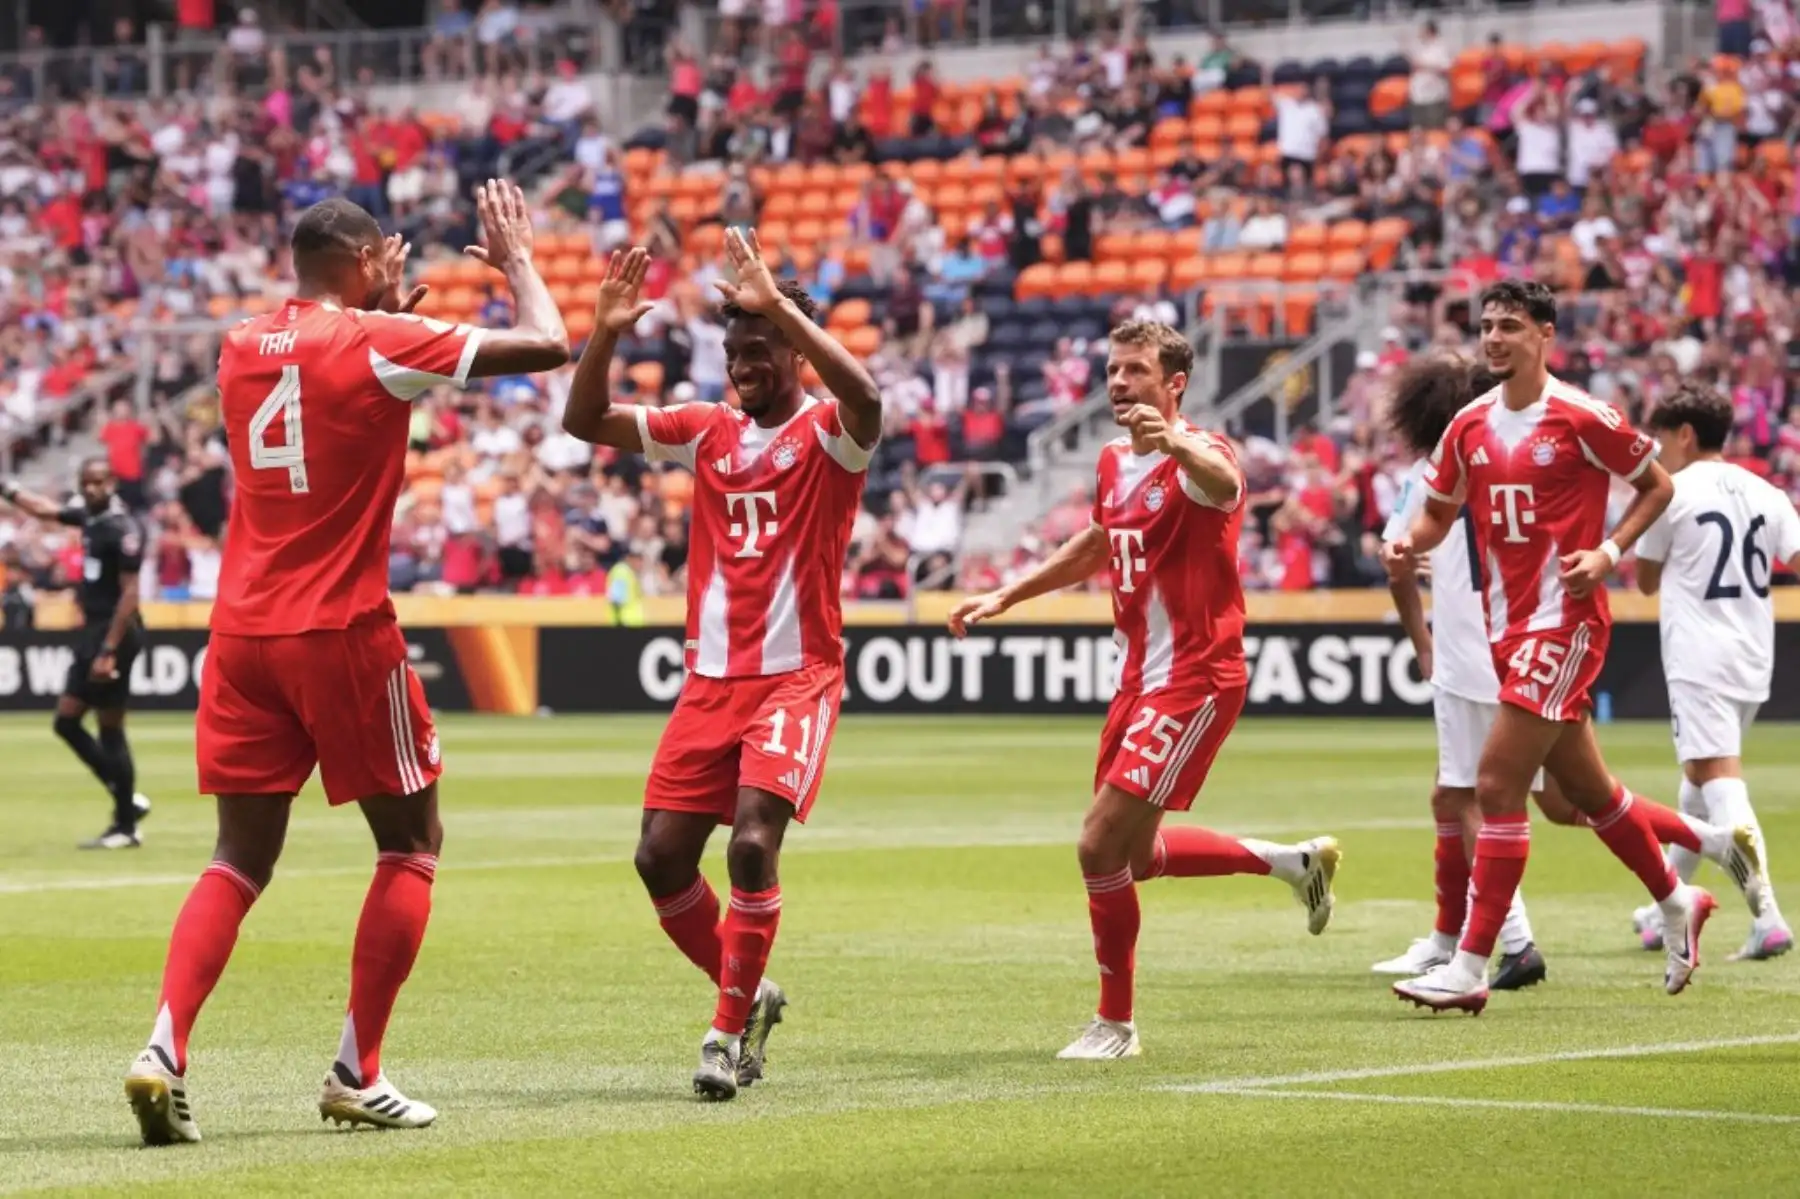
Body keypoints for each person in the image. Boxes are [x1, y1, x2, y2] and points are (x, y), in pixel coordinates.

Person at [123, 183, 570, 1146]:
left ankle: (162, 1047)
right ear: (368, 262)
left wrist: (381, 311)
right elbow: (548, 344)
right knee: (411, 842)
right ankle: (355, 1071)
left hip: (242, 633)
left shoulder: (240, 342)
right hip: (340, 630)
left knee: (237, 857)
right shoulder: (376, 339)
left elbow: (332, 383)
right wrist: (518, 260)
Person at [949, 320, 1340, 1061]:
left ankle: (1116, 1024)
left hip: (1196, 677)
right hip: (1137, 680)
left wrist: (1176, 443)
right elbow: (1098, 542)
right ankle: (1294, 862)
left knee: (1098, 842)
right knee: (1134, 857)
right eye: (1113, 369)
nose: (1120, 382)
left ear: (1174, 383)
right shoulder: (1108, 460)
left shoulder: (1202, 453)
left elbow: (1225, 484)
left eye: (1136, 370)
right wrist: (1008, 593)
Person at [1382, 280, 1764, 1015]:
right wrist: (1408, 546)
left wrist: (1611, 552)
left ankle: (1471, 964)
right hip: (1507, 627)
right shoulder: (1467, 425)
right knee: (1584, 794)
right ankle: (1677, 895)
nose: (1495, 338)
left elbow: (1658, 486)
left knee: (1491, 786)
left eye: (1511, 327)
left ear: (1546, 335)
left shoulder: (1582, 415)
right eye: (1487, 326)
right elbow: (1437, 512)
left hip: (1568, 621)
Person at [560, 234, 882, 1102]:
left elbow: (867, 396)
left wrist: (781, 307)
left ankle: (724, 1031)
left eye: (757, 349)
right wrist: (604, 334)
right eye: (733, 350)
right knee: (660, 857)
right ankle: (753, 990)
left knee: (749, 844)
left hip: (795, 676)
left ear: (791, 349)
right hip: (711, 681)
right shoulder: (706, 430)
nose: (741, 365)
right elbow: (582, 421)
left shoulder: (828, 432)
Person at [1375, 354, 1549, 989]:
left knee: (1470, 797)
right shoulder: (1516, 463)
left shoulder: (1429, 475)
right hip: (1535, 642)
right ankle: (1690, 858)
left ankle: (1512, 939)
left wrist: (1421, 638)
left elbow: (1396, 562)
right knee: (1573, 797)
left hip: (1469, 653)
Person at [1630, 383, 1795, 961]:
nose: (1654, 452)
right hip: (1754, 652)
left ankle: (1768, 915)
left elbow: (1646, 579)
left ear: (1684, 435)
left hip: (1700, 654)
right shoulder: (1766, 491)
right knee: (1697, 784)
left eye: (1660, 439)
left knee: (1721, 786)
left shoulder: (1669, 492)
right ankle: (1666, 906)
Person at [1, 459, 151, 848]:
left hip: (113, 635)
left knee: (110, 729)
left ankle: (125, 826)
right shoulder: (92, 519)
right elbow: (43, 509)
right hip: (94, 632)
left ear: (112, 483)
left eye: (98, 482)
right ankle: (127, 802)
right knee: (66, 722)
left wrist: (108, 649)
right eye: (86, 482)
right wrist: (6, 486)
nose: (91, 488)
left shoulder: (122, 529)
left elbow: (131, 595)